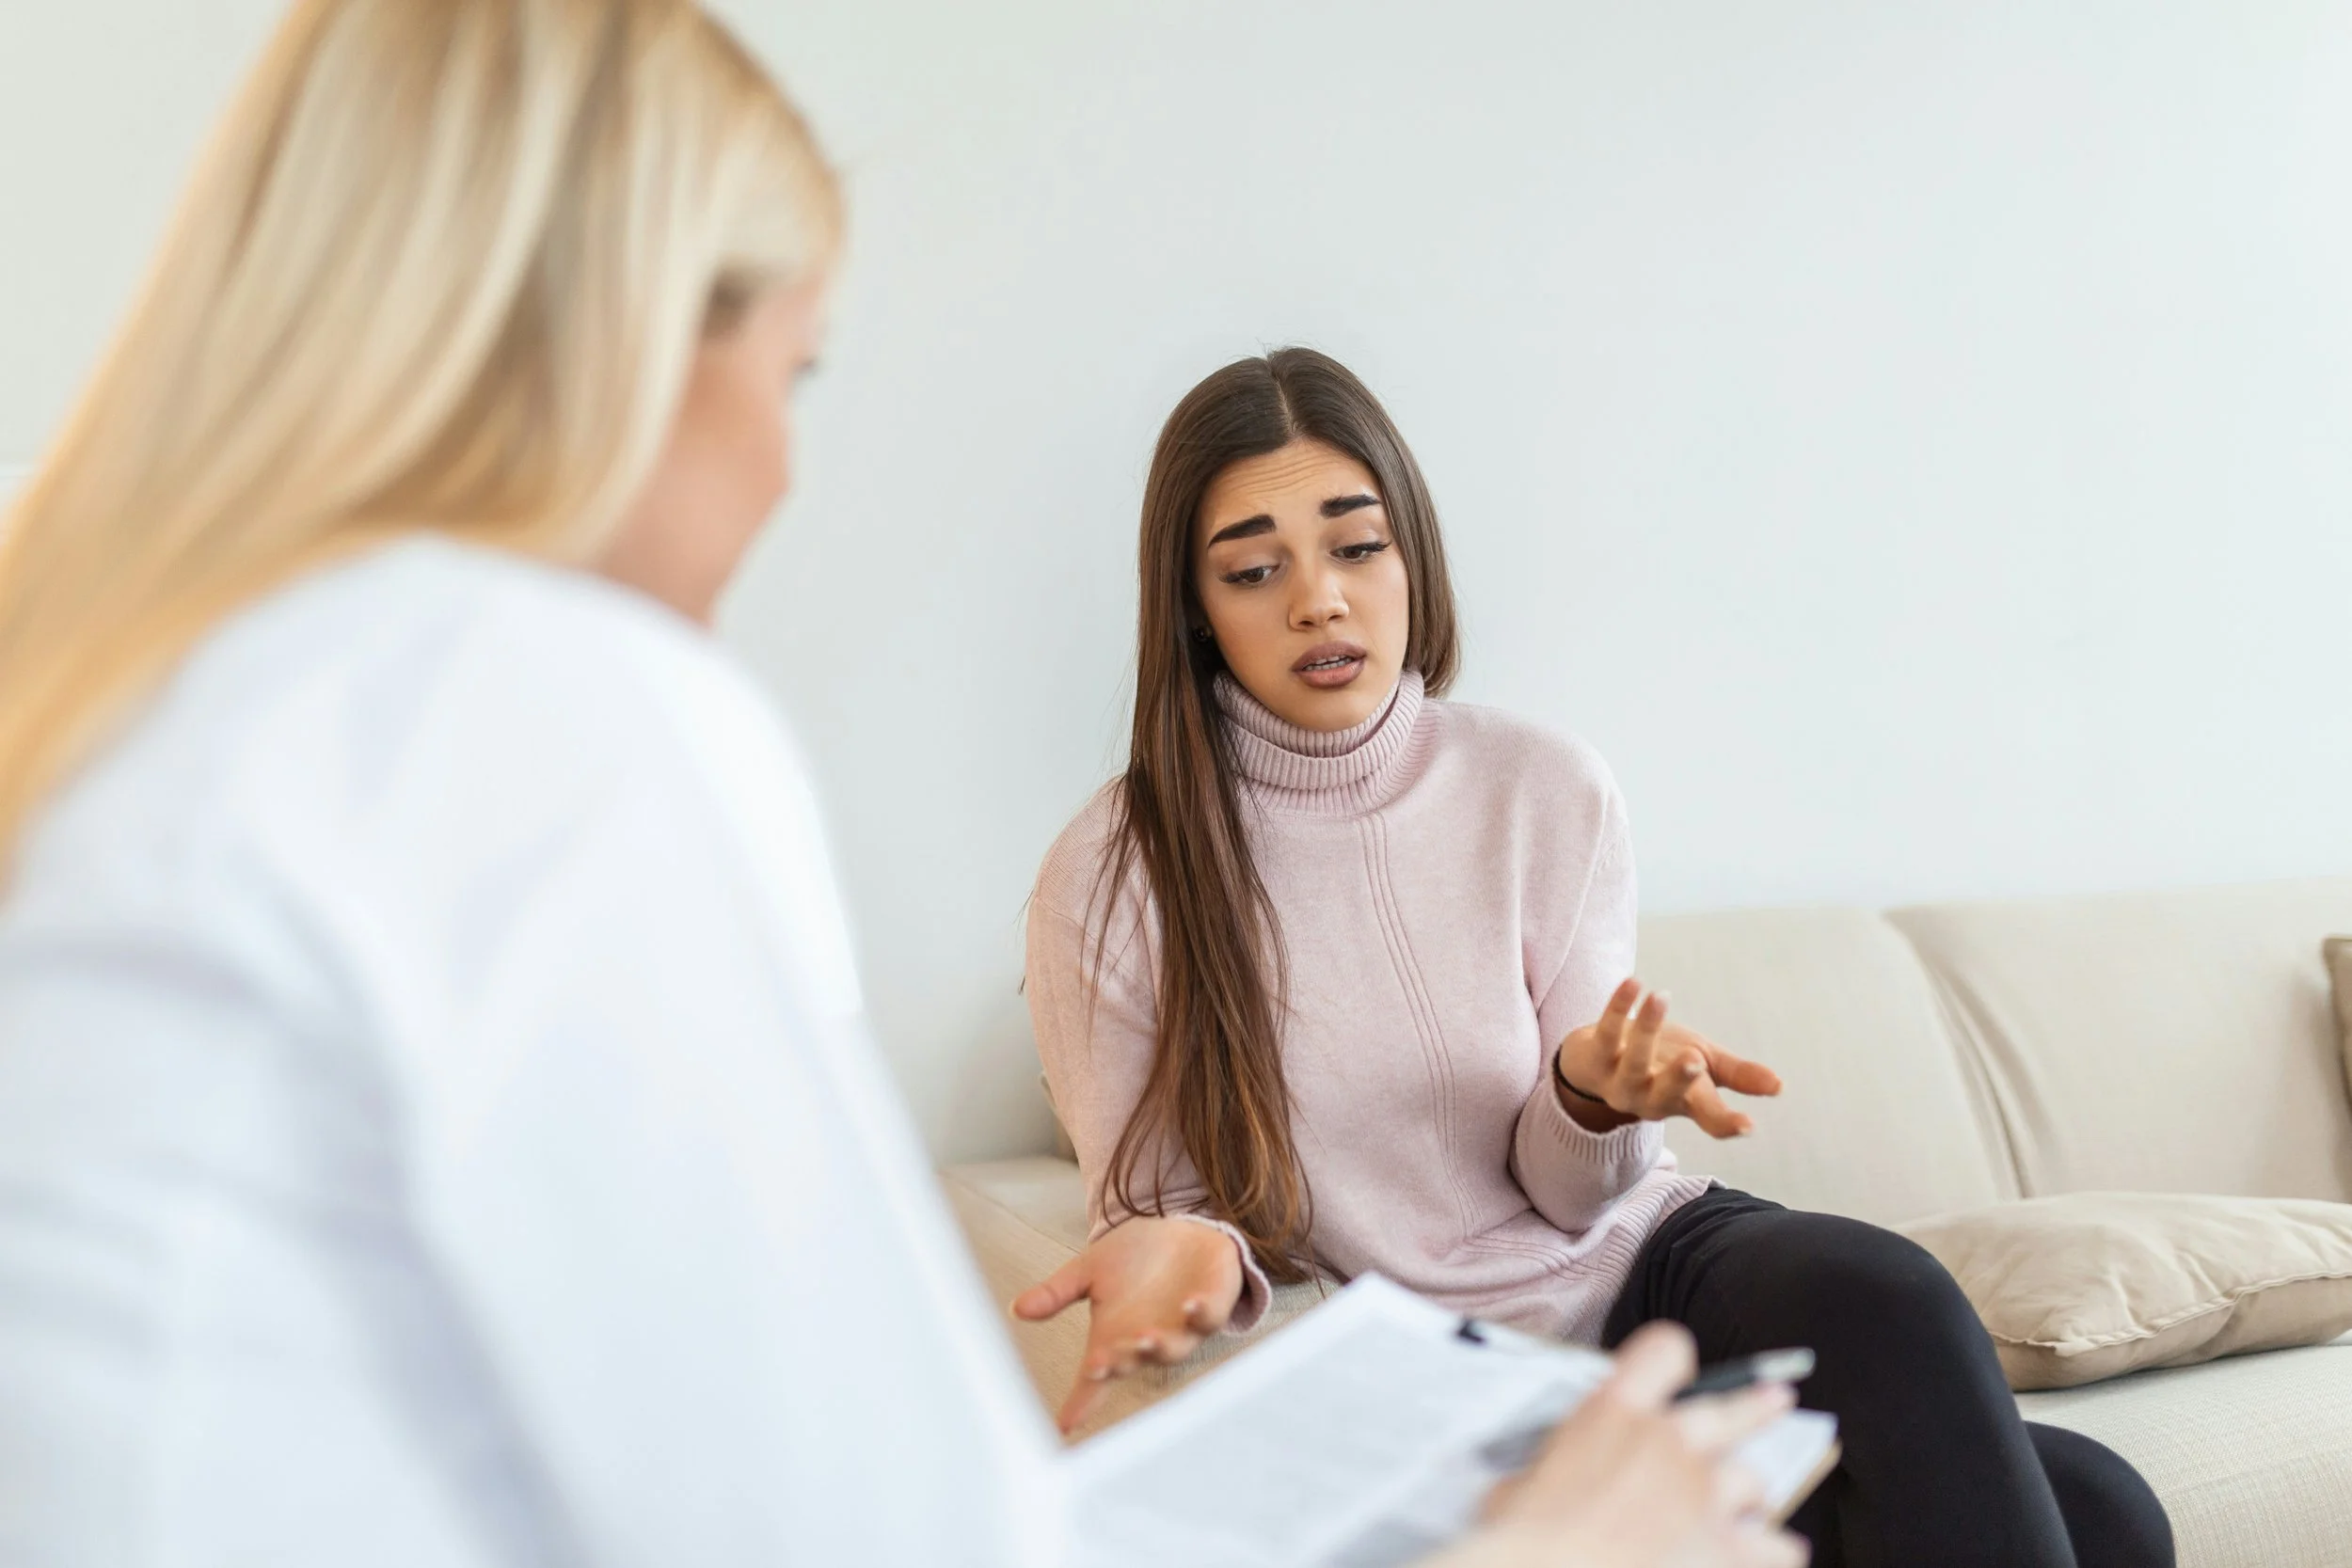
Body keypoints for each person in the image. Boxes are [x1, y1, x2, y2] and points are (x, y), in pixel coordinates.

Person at [0, 3, 1802, 1565]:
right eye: (795, 370)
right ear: (619, 353)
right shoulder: (531, 708)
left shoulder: (110, 713)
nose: (784, 466)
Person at [1017, 347, 2179, 1568]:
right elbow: (1150, 1210)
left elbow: (1580, 1193)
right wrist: (1186, 1245)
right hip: (1454, 1377)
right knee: (2098, 1517)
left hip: (1648, 1267)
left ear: (1414, 554)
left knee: (1896, 1299)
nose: (1318, 599)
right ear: (1197, 606)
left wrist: (1587, 1093)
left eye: (1357, 546)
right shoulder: (1113, 871)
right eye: (1256, 569)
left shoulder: (1542, 785)